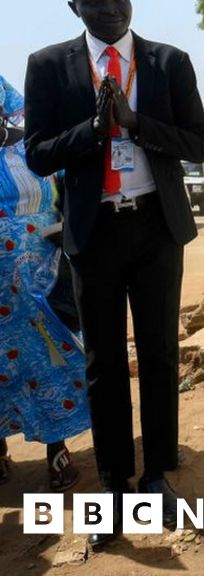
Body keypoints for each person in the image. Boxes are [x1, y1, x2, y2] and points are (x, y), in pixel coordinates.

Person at [24, 0, 204, 547]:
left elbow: (197, 144)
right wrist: (93, 131)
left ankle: (156, 477)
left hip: (155, 228)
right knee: (103, 362)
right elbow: (37, 153)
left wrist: (136, 124)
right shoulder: (48, 65)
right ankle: (115, 489)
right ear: (74, 6)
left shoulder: (168, 63)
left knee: (158, 354)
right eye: (97, 0)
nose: (111, 9)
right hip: (93, 232)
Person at [0, 74, 89, 491]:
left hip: (37, 270)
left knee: (49, 352)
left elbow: (58, 168)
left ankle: (56, 447)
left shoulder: (24, 121)